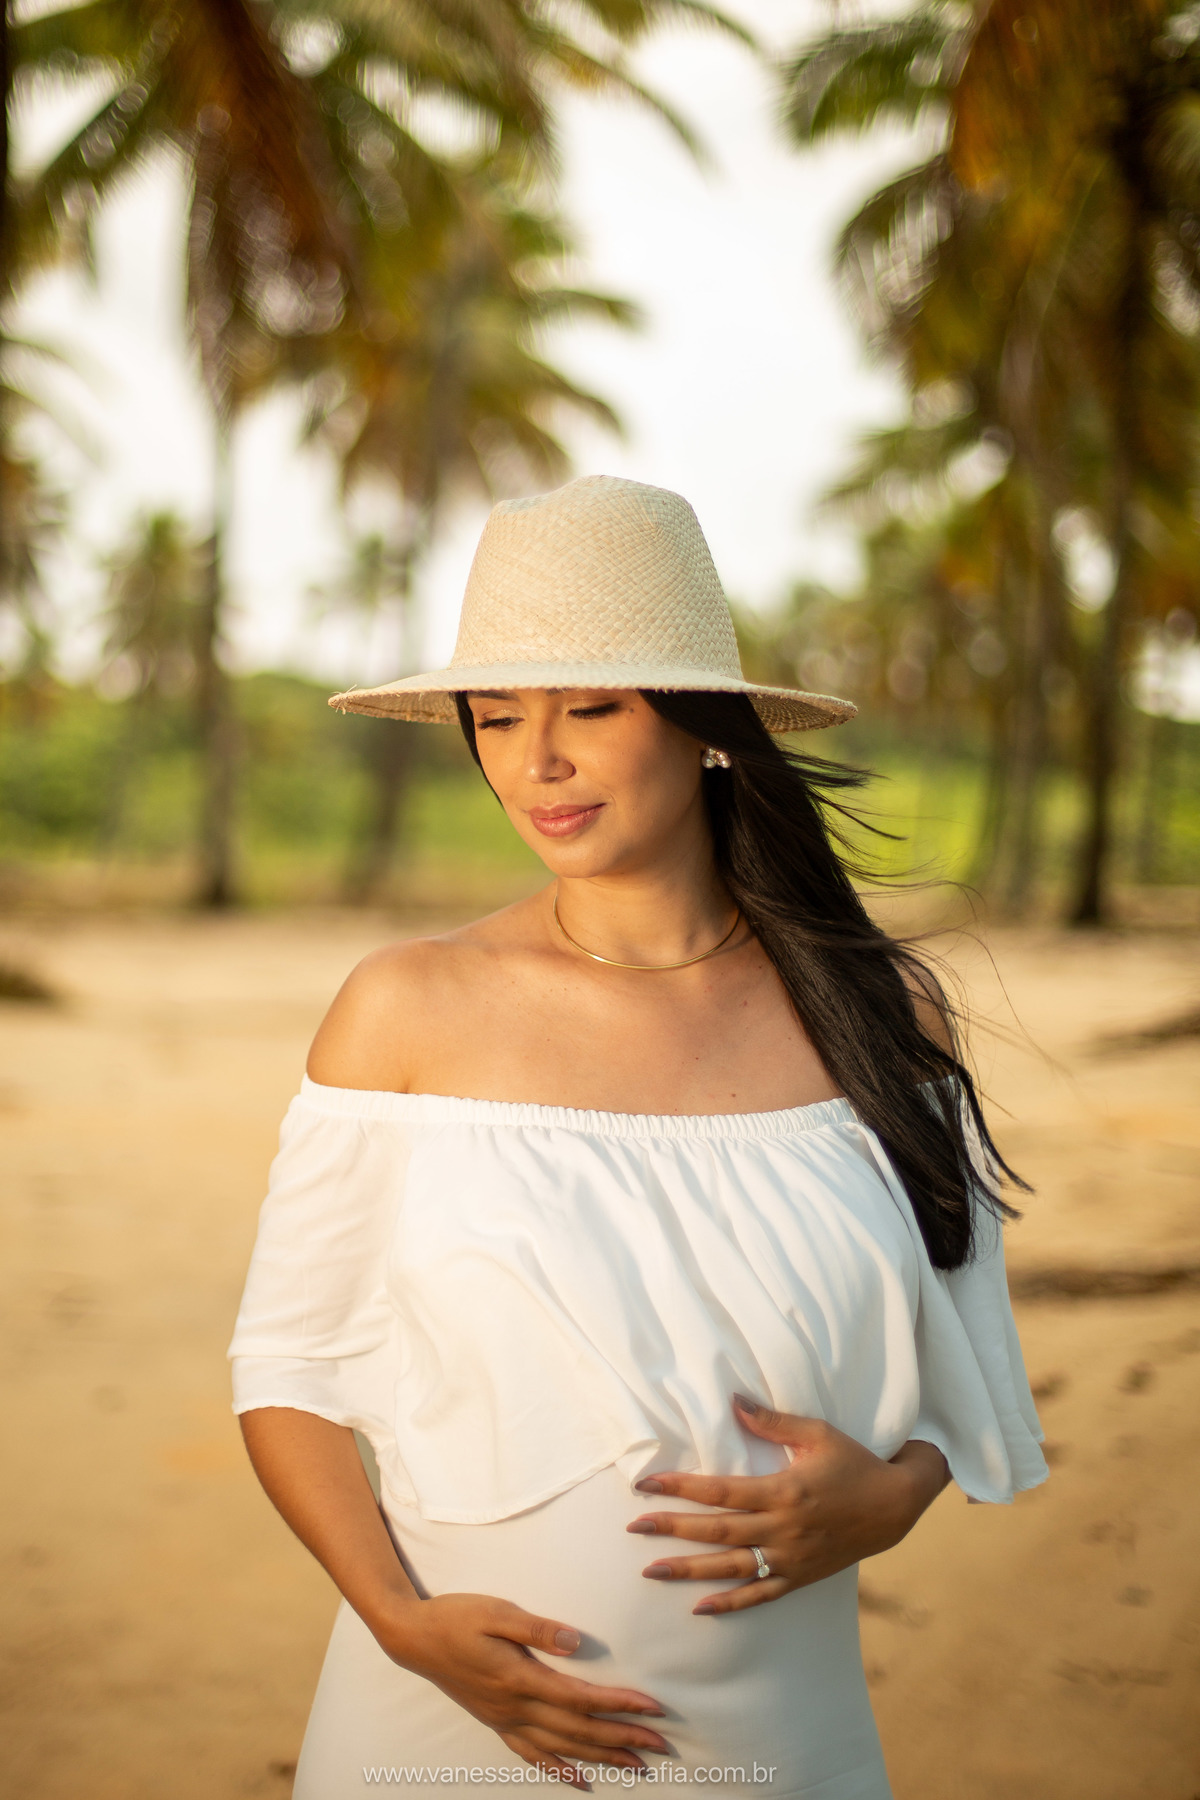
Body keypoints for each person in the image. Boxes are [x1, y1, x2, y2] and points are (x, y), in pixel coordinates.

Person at [228, 475, 1047, 1800]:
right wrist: (401, 1624)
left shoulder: (880, 1008)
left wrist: (891, 1499)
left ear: (707, 730)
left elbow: (967, 1338)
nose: (533, 760)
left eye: (590, 709)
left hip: (781, 1742)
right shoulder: (406, 1009)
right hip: (445, 1729)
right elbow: (289, 1364)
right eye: (495, 717)